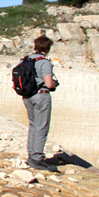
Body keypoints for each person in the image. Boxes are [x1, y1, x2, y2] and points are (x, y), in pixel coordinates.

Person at [23, 36, 59, 172]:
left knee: (33, 125)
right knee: (41, 126)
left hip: (27, 96)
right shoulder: (44, 62)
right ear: (48, 48)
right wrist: (55, 84)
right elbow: (49, 83)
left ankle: (31, 154)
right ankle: (37, 158)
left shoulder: (27, 60)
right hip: (41, 95)